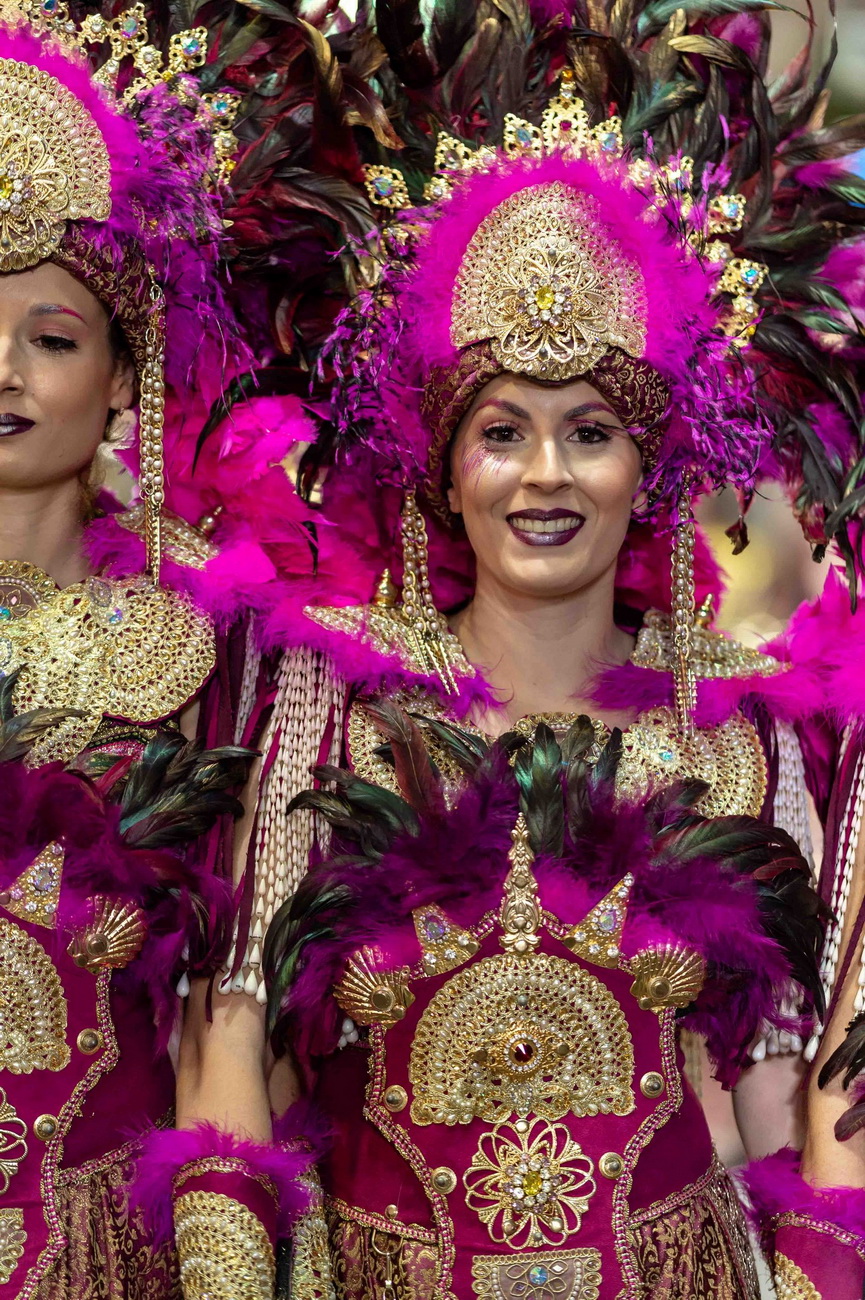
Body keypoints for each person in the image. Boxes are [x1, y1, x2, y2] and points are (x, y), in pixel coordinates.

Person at [248, 3, 865, 1294]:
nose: (545, 475)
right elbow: (248, 1053)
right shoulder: (329, 700)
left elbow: (780, 1108)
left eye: (590, 431)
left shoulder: (737, 736)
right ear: (439, 464)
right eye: (501, 431)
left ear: (652, 467)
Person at [0, 4, 316, 1296]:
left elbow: (229, 1015)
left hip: (109, 1250)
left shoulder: (216, 655)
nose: (2, 369)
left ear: (126, 375)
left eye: (51, 337)